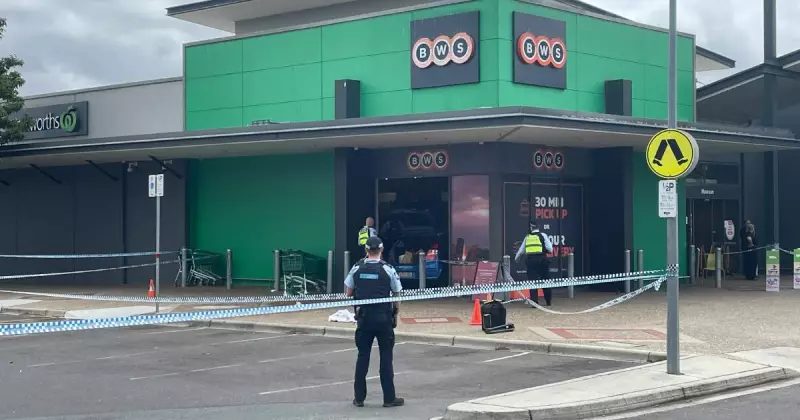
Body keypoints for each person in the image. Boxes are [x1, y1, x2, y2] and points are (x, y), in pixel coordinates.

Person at [345, 236, 405, 408]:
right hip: (383, 318)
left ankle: (359, 398)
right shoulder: (388, 269)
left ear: (366, 250)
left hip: (364, 319)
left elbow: (348, 292)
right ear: (382, 250)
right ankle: (389, 398)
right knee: (386, 357)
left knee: (362, 356)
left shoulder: (356, 268)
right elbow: (397, 294)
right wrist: (396, 312)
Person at [514, 221, 554, 307]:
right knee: (546, 281)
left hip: (531, 262)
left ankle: (534, 303)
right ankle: (548, 301)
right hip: (542, 261)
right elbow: (550, 249)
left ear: (531, 228)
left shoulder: (527, 237)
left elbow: (520, 251)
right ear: (538, 227)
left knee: (533, 283)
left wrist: (516, 259)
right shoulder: (543, 235)